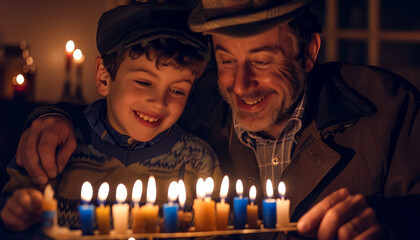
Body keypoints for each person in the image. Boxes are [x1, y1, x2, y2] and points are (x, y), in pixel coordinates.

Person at [9, 0, 420, 239]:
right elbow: (116, 112)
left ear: (308, 52)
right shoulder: (196, 106)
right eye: (226, 60)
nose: (240, 85)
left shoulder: (386, 108)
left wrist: (390, 220)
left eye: (261, 60)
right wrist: (54, 115)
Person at [0, 1, 221, 237]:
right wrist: (18, 216)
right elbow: (10, 222)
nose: (159, 102)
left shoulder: (198, 162)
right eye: (144, 82)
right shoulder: (53, 146)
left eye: (177, 90)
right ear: (104, 77)